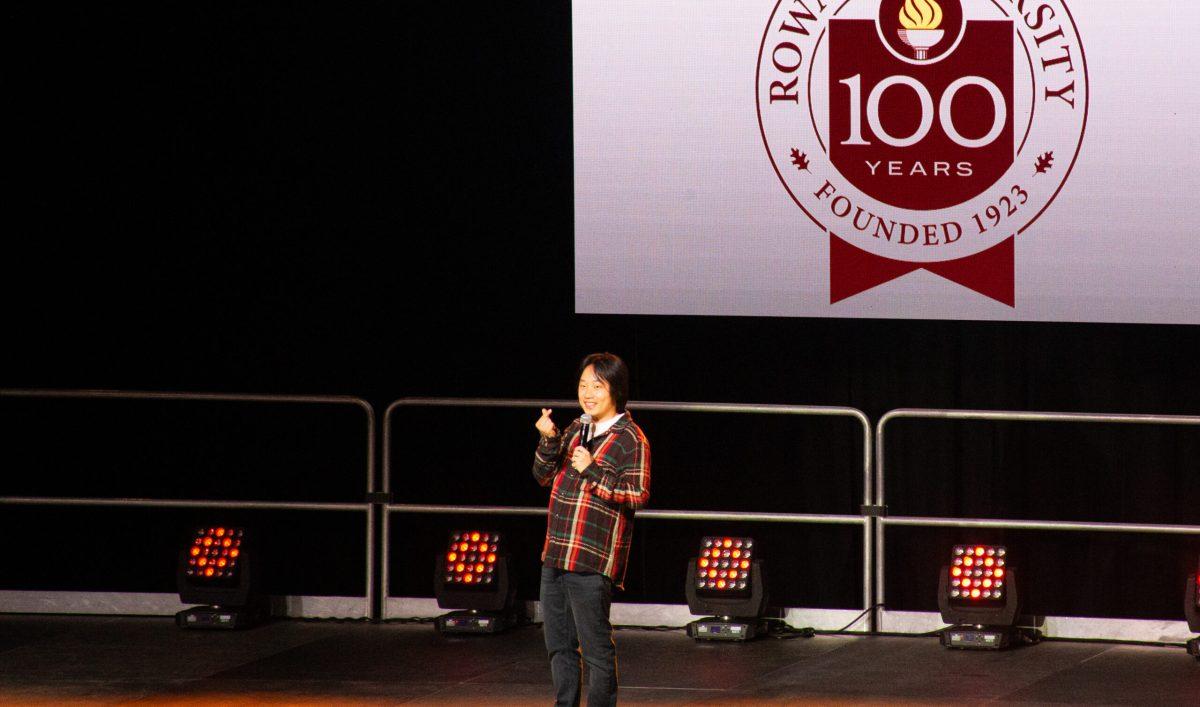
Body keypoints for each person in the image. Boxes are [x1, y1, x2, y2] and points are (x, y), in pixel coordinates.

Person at [532, 352, 651, 707]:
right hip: (555, 554)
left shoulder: (632, 438)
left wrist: (592, 471)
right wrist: (551, 439)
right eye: (583, 385)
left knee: (596, 650)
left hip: (591, 558)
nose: (588, 393)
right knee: (559, 645)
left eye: (597, 386)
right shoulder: (575, 429)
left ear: (615, 390)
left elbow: (637, 494)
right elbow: (542, 476)